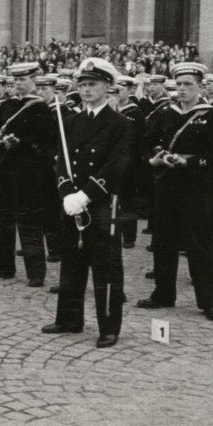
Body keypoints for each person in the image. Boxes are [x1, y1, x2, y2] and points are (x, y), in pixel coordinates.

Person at [42, 57, 132, 348]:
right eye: (81, 85)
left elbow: (116, 165)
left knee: (106, 267)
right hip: (72, 203)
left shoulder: (120, 124)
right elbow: (61, 163)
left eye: (92, 84)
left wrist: (85, 196)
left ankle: (108, 326)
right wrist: (67, 193)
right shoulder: (70, 122)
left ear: (107, 87)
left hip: (101, 204)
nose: (86, 89)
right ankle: (69, 319)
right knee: (72, 263)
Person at [137, 62, 213, 321]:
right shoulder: (167, 113)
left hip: (195, 186)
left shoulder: (212, 116)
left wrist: (189, 162)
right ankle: (163, 293)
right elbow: (146, 141)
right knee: (164, 241)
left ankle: (209, 301)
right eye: (178, 84)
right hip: (167, 184)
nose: (182, 89)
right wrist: (153, 158)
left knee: (199, 244)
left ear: (201, 87)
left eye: (188, 84)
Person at [0, 62, 54, 286]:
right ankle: (2, 268)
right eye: (15, 80)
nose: (17, 84)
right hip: (4, 168)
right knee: (2, 218)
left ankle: (36, 273)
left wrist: (20, 141)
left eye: (22, 80)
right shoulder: (6, 105)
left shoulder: (40, 107)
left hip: (28, 170)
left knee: (29, 221)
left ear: (33, 81)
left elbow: (46, 139)